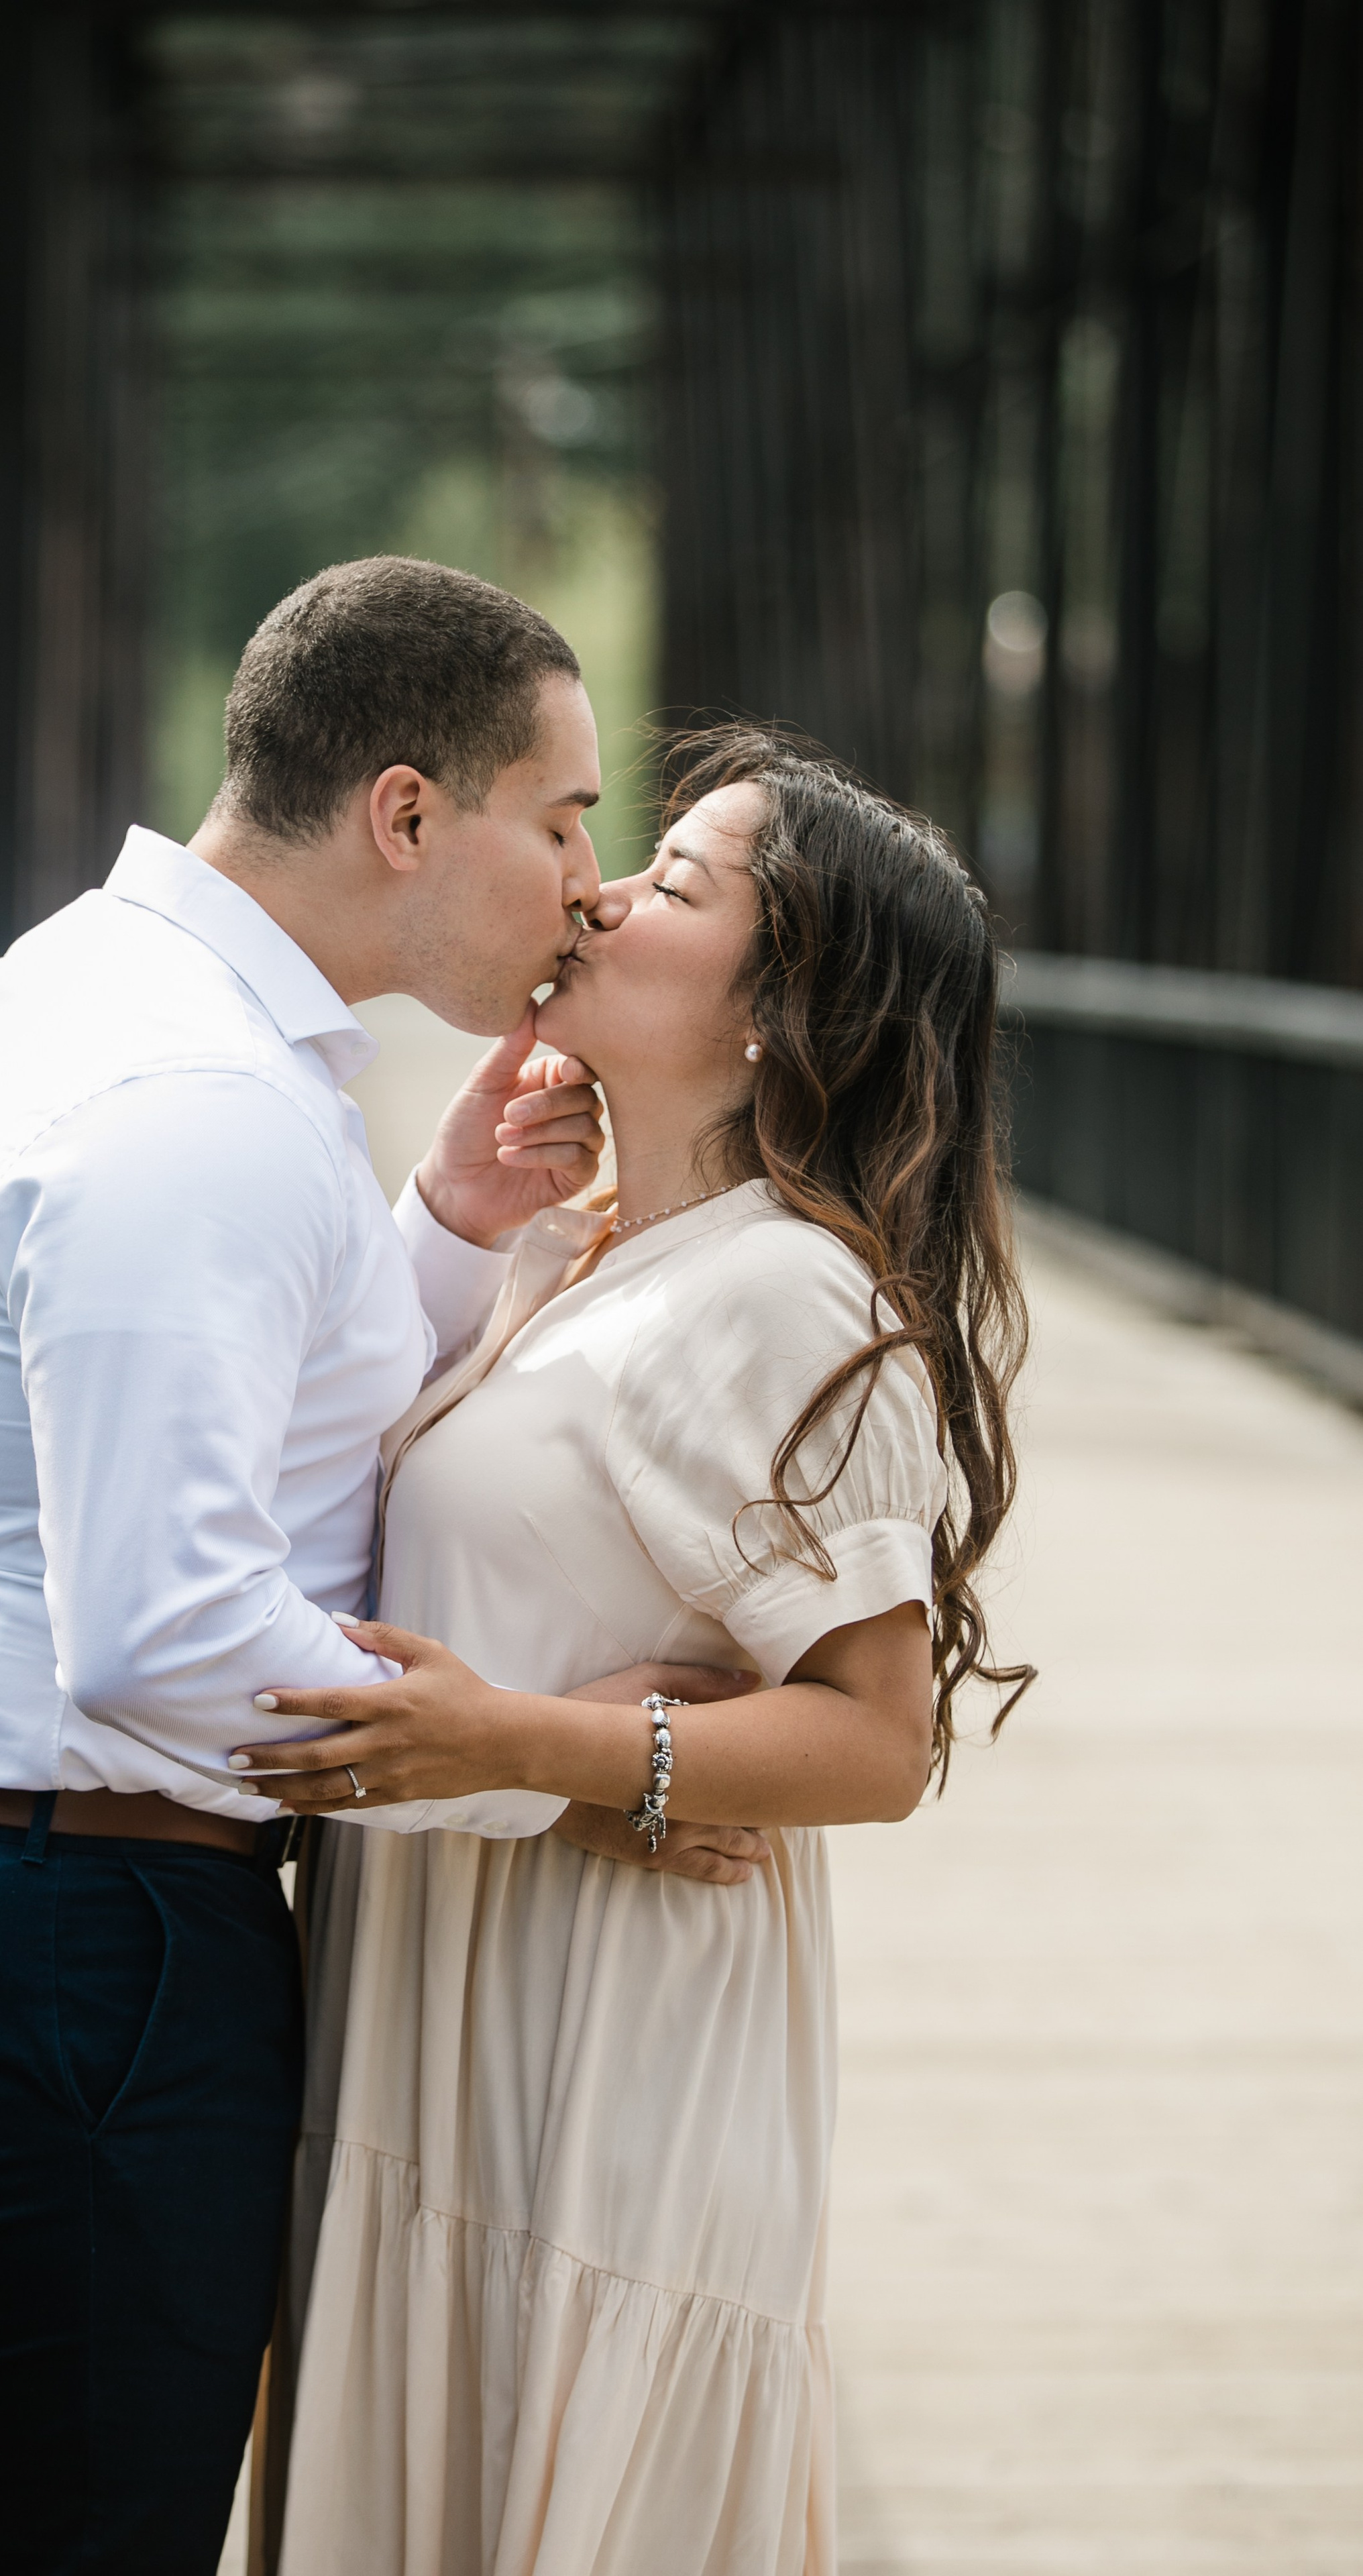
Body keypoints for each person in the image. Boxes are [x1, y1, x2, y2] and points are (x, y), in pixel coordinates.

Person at [0, 559, 757, 2576]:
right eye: (561, 817)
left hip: (29, 1889)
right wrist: (558, 1767)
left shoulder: (142, 1001)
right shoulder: (192, 1099)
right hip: (67, 1921)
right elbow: (169, 1629)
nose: (590, 878)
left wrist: (445, 1224)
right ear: (406, 813)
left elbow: (226, 1424)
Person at [243, 728, 1033, 2576]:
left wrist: (540, 1748)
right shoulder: (585, 1251)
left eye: (675, 882)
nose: (596, 888)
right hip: (445, 1999)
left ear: (784, 1008)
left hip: (608, 2042)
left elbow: (876, 1743)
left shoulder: (790, 1294)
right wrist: (460, 1218)